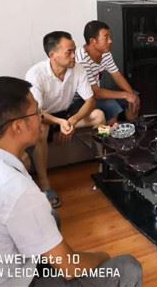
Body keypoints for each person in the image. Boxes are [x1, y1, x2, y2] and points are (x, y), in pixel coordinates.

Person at [0, 76, 142, 286]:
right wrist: (102, 256)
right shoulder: (16, 189)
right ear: (17, 127)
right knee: (126, 267)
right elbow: (70, 268)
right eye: (36, 112)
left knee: (52, 218)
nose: (41, 118)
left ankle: (44, 266)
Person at [26, 31, 105, 207]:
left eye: (74, 50)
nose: (74, 56)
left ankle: (103, 166)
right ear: (52, 55)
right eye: (69, 52)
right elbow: (36, 112)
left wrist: (73, 121)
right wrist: (60, 123)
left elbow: (90, 100)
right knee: (41, 129)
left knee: (99, 115)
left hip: (67, 114)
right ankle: (45, 185)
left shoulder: (78, 69)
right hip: (44, 116)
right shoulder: (35, 74)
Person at [75, 21, 140, 124]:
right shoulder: (81, 59)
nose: (110, 41)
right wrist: (126, 95)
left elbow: (117, 75)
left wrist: (131, 95)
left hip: (94, 94)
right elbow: (96, 93)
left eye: (110, 37)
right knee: (111, 105)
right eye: (106, 38)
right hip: (81, 99)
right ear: (93, 41)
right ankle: (112, 131)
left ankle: (133, 126)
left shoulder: (105, 53)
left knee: (133, 97)